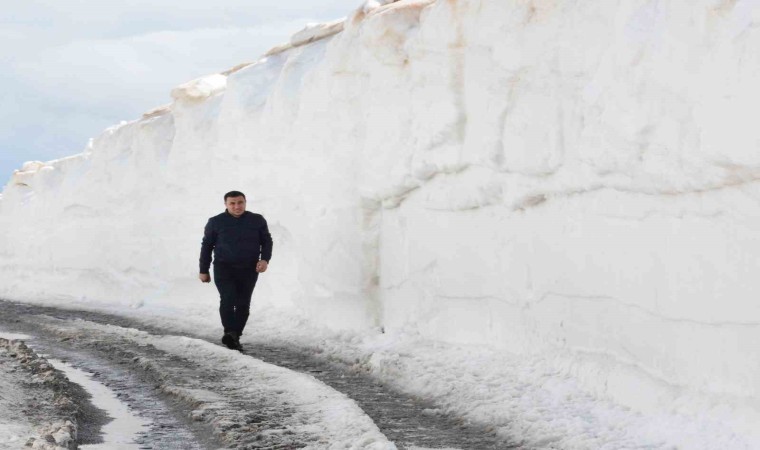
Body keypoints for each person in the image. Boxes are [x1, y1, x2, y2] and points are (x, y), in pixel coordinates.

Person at [199, 191, 273, 351]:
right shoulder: (216, 222)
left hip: (249, 268)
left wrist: (264, 259)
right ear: (226, 204)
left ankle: (234, 335)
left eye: (240, 202)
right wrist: (203, 270)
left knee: (243, 303)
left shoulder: (257, 220)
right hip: (223, 268)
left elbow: (267, 241)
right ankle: (230, 332)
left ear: (245, 202)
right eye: (232, 203)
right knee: (228, 298)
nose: (237, 206)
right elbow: (206, 246)